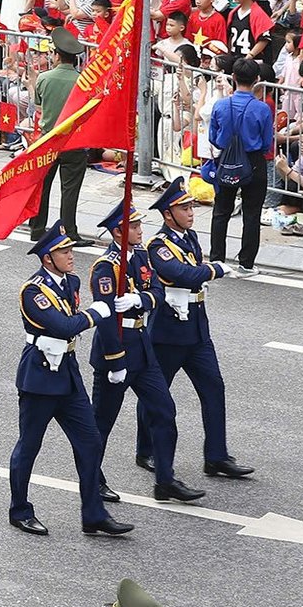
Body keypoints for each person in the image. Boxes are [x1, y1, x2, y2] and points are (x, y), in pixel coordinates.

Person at [7, 222, 134, 538]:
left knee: (90, 441)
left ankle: (93, 515)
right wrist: (95, 314)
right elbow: (63, 326)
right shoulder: (33, 291)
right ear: (47, 258)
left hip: (68, 374)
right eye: (63, 251)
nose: (71, 255)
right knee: (29, 446)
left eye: (70, 249)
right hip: (40, 377)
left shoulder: (71, 282)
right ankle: (20, 510)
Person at [86, 199, 200, 505]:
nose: (140, 230)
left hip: (142, 347)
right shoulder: (106, 267)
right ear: (118, 232)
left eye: (139, 225)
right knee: (101, 424)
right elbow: (105, 318)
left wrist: (140, 301)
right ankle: (92, 480)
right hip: (116, 351)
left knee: (164, 411)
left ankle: (165, 480)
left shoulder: (141, 257)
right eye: (133, 226)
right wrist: (115, 361)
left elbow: (158, 292)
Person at [141, 179, 253, 482]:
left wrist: (204, 271)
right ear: (168, 214)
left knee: (214, 388)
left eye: (191, 206)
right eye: (184, 208)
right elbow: (182, 274)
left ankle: (216, 456)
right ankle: (146, 449)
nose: (191, 212)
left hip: (196, 330)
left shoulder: (189, 237)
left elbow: (193, 273)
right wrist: (214, 269)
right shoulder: (158, 246)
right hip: (168, 332)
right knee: (156, 393)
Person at [204, 57, 274, 275]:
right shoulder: (262, 109)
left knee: (221, 211)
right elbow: (267, 142)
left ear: (233, 77)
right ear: (257, 79)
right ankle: (246, 263)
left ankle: (217, 260)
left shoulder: (221, 105)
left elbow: (213, 137)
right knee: (252, 214)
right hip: (253, 161)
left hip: (226, 159)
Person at [26, 28, 94, 246]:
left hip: (48, 140)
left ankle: (37, 228)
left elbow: (38, 106)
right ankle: (69, 231)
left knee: (42, 187)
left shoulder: (44, 78)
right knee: (70, 190)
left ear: (56, 55)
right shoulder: (83, 81)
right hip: (73, 141)